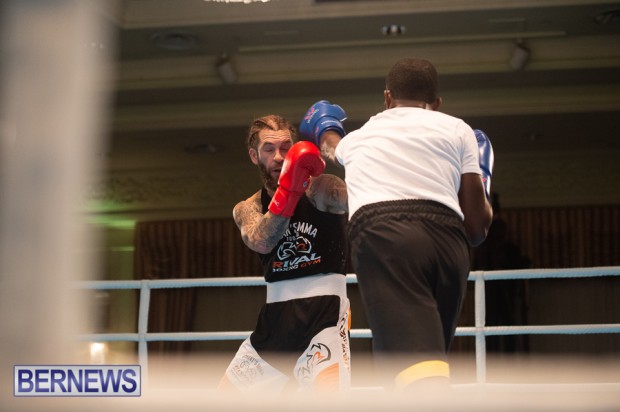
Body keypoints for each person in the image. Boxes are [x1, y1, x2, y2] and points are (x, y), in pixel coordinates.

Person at [298, 57, 494, 392]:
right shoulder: (459, 130)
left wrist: (324, 125)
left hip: (387, 236)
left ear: (387, 98)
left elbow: (331, 147)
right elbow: (477, 229)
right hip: (448, 243)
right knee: (419, 362)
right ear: (436, 103)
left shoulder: (362, 137)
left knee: (418, 370)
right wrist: (483, 181)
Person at [217, 114, 351, 394]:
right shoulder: (248, 207)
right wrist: (289, 190)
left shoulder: (322, 189)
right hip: (274, 323)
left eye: (286, 148)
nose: (279, 156)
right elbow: (261, 241)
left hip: (325, 316)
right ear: (254, 155)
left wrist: (336, 147)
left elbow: (365, 196)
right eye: (269, 149)